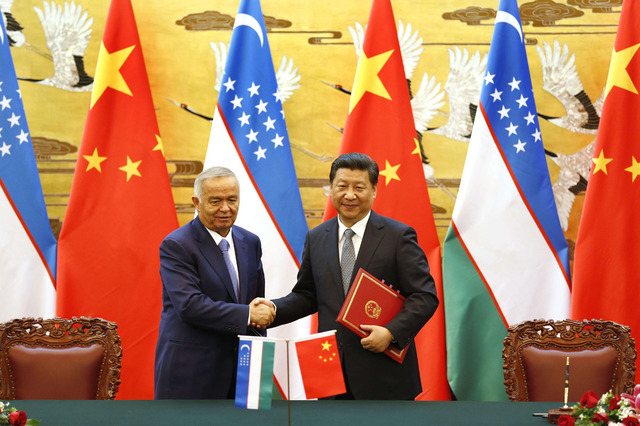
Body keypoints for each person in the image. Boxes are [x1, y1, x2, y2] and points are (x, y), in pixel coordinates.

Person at [254, 152, 439, 400]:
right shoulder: (316, 237)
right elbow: (308, 295)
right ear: (331, 188)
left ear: (374, 190)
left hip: (383, 372)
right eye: (342, 186)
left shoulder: (398, 236)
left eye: (359, 187)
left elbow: (424, 296)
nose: (349, 195)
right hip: (329, 370)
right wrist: (274, 309)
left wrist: (391, 333)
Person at [154, 166, 275, 399]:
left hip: (244, 369)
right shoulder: (177, 245)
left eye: (232, 199)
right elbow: (190, 305)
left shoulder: (250, 242)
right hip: (192, 373)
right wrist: (248, 315)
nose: (225, 208)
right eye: (215, 201)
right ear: (196, 202)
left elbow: (254, 302)